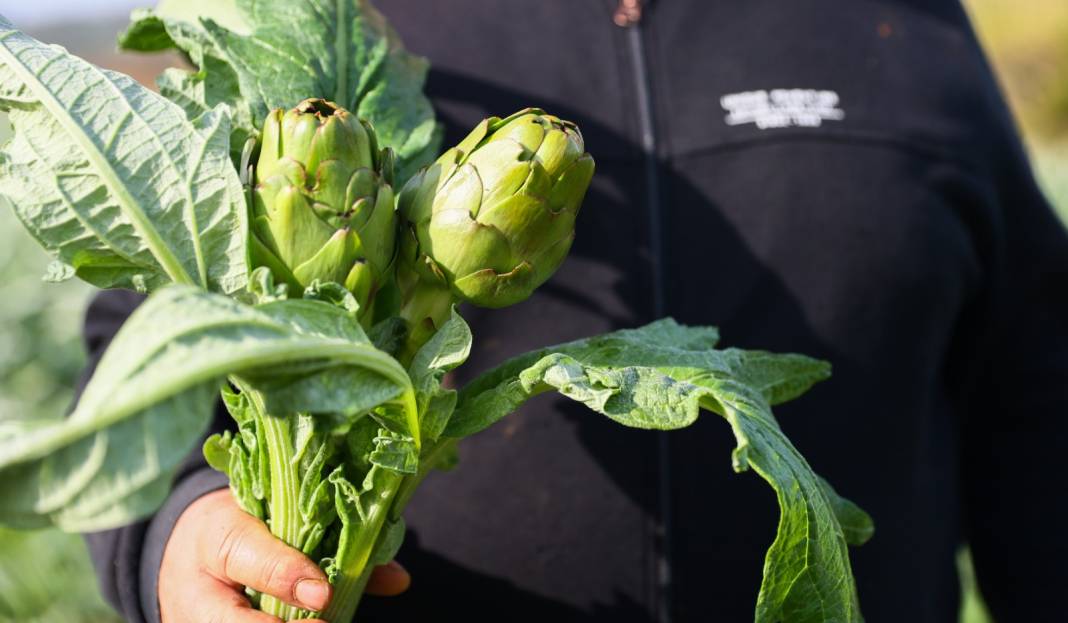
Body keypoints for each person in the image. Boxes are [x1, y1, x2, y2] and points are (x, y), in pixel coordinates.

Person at [83, 1, 1068, 621]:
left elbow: (1037, 393)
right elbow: (140, 346)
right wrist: (174, 529)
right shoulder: (325, 18)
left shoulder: (908, 24)